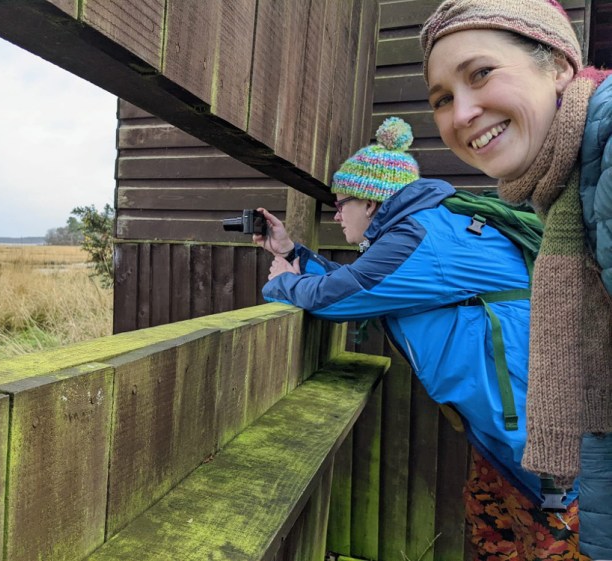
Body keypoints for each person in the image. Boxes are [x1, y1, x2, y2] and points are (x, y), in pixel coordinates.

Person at [254, 116, 586, 560]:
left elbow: (338, 299)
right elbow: (366, 285)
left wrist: (282, 281)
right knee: (496, 540)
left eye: (341, 202)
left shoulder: (421, 239)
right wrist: (292, 254)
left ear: (371, 203)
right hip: (512, 438)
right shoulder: (430, 229)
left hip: (551, 453)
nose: (336, 214)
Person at [420, 1, 612, 558]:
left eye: (481, 73)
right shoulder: (563, 191)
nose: (461, 114)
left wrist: (290, 277)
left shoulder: (416, 240)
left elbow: (359, 290)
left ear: (558, 65)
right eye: (442, 100)